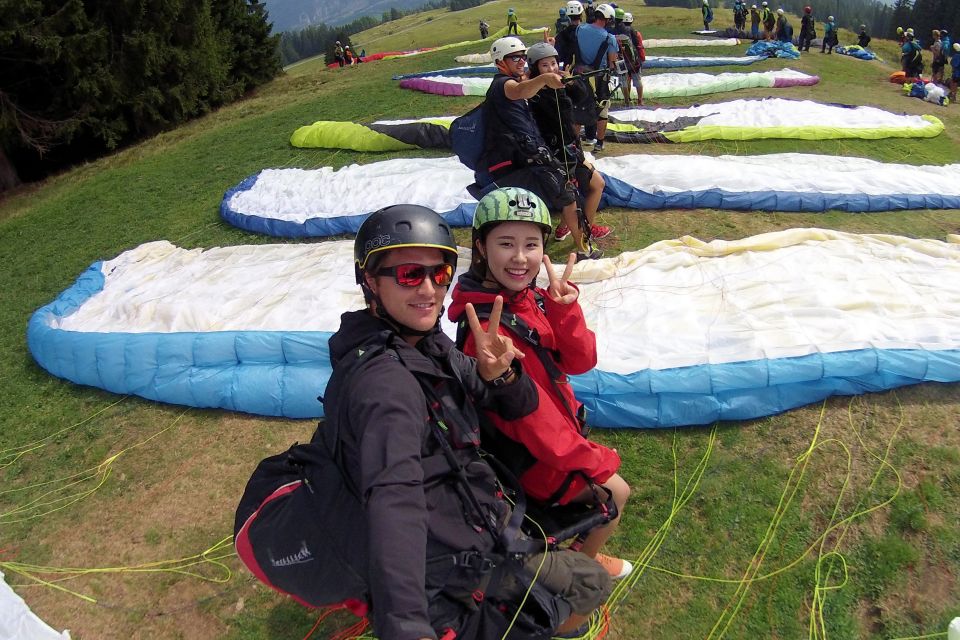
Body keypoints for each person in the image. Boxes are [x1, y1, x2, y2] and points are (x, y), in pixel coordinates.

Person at [304, 204, 613, 640]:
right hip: (448, 557)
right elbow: (395, 504)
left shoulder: (423, 343)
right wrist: (407, 625)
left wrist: (503, 375)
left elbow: (502, 397)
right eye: (410, 274)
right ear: (370, 281)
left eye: (441, 273)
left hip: (468, 511)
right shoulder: (386, 387)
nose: (429, 289)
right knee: (589, 581)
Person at [448, 187, 633, 581]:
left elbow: (580, 362)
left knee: (607, 482)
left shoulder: (525, 299)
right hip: (530, 458)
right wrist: (594, 460)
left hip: (552, 439)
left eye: (531, 244)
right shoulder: (488, 327)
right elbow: (530, 422)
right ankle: (579, 573)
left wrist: (564, 310)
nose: (520, 257)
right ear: (481, 247)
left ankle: (576, 560)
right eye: (506, 243)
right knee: (617, 492)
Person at [481, 36, 602, 260]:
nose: (520, 61)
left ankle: (581, 239)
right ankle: (583, 248)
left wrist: (549, 56)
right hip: (527, 156)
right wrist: (545, 78)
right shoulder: (503, 84)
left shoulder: (516, 79)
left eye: (522, 57)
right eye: (514, 57)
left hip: (536, 152)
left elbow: (529, 79)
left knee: (577, 191)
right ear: (500, 61)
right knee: (567, 198)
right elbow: (521, 91)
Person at [525, 42, 610, 242]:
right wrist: (559, 89)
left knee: (593, 186)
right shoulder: (535, 93)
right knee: (588, 188)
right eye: (545, 65)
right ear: (536, 68)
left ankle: (566, 228)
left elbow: (582, 98)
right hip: (556, 152)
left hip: (571, 147)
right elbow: (558, 113)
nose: (551, 69)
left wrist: (570, 82)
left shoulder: (559, 84)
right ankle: (584, 232)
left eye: (554, 63)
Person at [570, 3, 619, 154]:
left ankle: (574, 144)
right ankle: (599, 143)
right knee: (602, 111)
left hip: (578, 75)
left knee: (577, 110)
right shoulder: (609, 38)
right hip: (599, 78)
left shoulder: (579, 29)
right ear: (608, 19)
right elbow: (612, 62)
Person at [621, 12, 645, 106]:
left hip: (623, 60)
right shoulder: (636, 33)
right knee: (637, 80)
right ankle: (640, 100)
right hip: (634, 61)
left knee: (625, 80)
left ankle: (627, 100)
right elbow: (639, 46)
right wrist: (641, 58)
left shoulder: (619, 33)